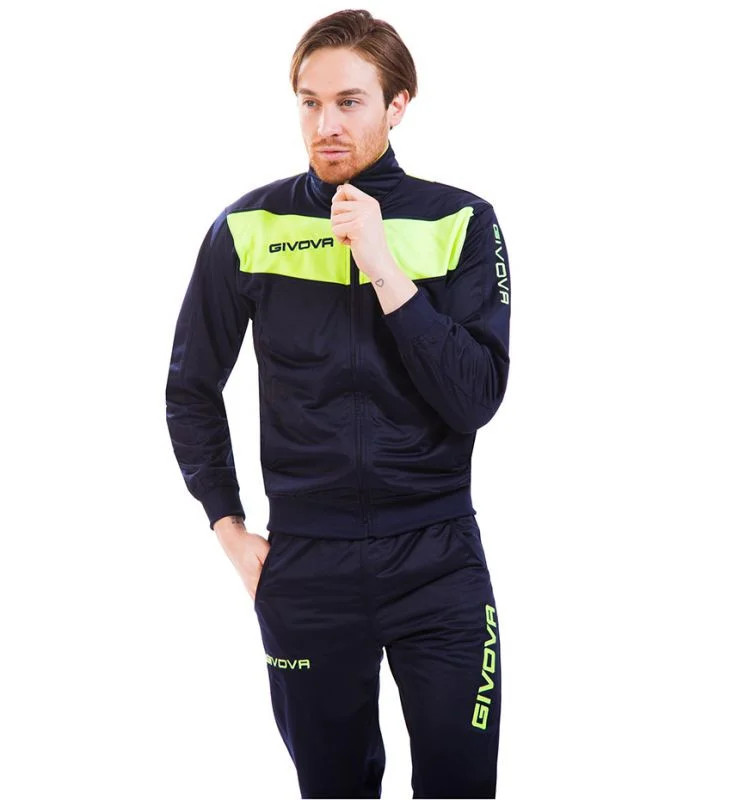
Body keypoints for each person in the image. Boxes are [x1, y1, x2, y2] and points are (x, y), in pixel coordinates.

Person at [165, 8, 511, 799]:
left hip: (438, 561)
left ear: (398, 104)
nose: (326, 124)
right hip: (306, 568)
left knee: (461, 786)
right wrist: (227, 527)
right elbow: (190, 389)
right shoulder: (248, 227)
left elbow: (475, 397)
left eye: (350, 102)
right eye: (310, 102)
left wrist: (384, 263)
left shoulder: (461, 221)